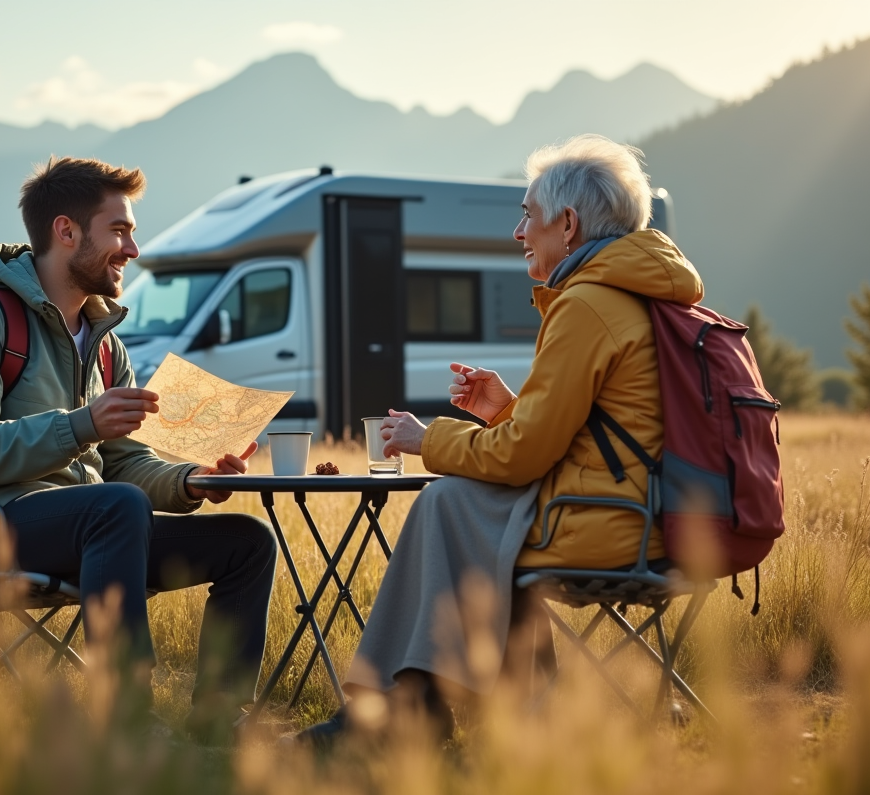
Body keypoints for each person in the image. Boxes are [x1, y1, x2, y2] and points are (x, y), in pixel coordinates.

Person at [295, 134, 705, 747]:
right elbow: (589, 436)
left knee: (446, 500)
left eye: (527, 215)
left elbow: (522, 457)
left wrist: (428, 438)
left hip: (610, 525)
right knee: (459, 505)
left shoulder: (588, 305)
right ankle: (485, 709)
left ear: (568, 225)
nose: (518, 233)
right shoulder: (643, 295)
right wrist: (506, 411)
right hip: (655, 517)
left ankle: (397, 710)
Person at [0, 156, 278, 743]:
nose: (133, 249)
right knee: (115, 506)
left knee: (247, 542)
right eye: (120, 230)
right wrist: (81, 424)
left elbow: (124, 463)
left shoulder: (107, 346)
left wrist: (190, 480)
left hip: (96, 527)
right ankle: (126, 714)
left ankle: (217, 722)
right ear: (66, 231)